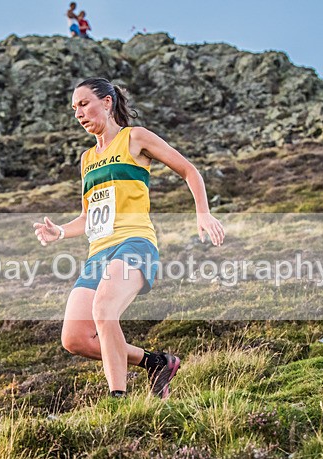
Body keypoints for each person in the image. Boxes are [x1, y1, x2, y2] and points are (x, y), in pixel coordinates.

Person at [33, 78, 225, 399]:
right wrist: (61, 232)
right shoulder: (87, 159)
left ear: (107, 102)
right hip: (99, 253)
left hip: (134, 244)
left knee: (104, 310)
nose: (78, 113)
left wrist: (202, 212)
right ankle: (156, 362)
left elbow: (189, 170)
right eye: (74, 108)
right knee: (75, 338)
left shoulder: (134, 138)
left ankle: (117, 400)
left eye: (84, 104)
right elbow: (88, 216)